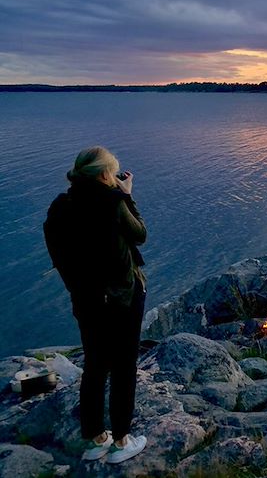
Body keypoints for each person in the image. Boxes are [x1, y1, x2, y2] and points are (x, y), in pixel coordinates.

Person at [43, 146, 148, 464]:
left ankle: (95, 438)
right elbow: (140, 235)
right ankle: (121, 441)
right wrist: (126, 194)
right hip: (122, 298)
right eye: (112, 172)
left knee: (95, 365)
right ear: (105, 175)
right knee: (124, 367)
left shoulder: (61, 206)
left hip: (86, 299)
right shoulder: (112, 202)